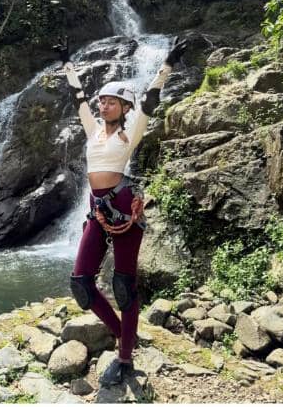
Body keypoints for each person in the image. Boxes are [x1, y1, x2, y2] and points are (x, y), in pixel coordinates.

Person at [55, 37, 187, 387]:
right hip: (97, 209)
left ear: (125, 107)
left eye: (111, 102)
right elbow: (78, 97)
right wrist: (67, 63)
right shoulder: (93, 130)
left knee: (124, 286)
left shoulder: (133, 130)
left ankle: (125, 358)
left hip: (123, 206)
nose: (104, 105)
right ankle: (122, 332)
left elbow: (151, 99)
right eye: (102, 101)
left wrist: (168, 64)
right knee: (81, 283)